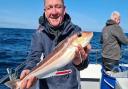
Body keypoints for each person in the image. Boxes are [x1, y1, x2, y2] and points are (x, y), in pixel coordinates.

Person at [20, 0, 91, 89]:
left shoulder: (75, 31)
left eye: (58, 7)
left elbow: (83, 65)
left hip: (70, 86)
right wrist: (28, 69)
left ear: (64, 10)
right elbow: (34, 57)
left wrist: (80, 62)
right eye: (49, 8)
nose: (54, 12)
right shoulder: (39, 33)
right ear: (45, 11)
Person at [100, 11, 128, 89]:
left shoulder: (104, 28)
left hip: (104, 59)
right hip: (113, 60)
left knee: (105, 76)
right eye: (119, 20)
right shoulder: (116, 27)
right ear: (115, 19)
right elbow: (125, 41)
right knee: (112, 79)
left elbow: (101, 41)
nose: (119, 22)